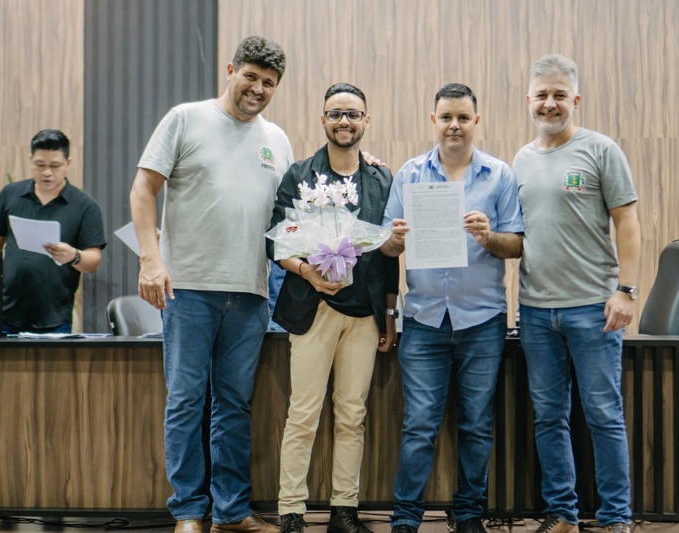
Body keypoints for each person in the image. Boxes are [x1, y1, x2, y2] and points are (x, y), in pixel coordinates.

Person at [130, 36, 293, 533]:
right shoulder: (186, 118)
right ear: (230, 69)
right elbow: (143, 189)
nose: (258, 89)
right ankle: (187, 512)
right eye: (250, 76)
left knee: (233, 406)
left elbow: (294, 216)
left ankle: (231, 512)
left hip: (250, 293)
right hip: (188, 290)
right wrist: (151, 261)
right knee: (185, 401)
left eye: (268, 83)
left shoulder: (278, 140)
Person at [380, 83, 523, 533]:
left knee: (477, 425)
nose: (454, 125)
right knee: (419, 425)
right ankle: (405, 519)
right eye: (446, 117)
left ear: (476, 121)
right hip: (423, 319)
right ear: (434, 120)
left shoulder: (499, 175)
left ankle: (468, 515)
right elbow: (383, 246)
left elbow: (516, 244)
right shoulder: (410, 175)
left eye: (463, 117)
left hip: (481, 320)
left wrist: (488, 237)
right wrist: (395, 241)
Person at [511, 53, 641, 533]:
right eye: (541, 95)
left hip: (594, 308)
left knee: (604, 416)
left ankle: (614, 518)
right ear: (529, 100)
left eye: (559, 95)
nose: (550, 103)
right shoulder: (520, 160)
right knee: (549, 418)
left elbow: (627, 221)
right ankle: (562, 514)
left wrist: (625, 290)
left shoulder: (601, 150)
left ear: (575, 100)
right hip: (536, 311)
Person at [268, 82, 399, 533]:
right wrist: (306, 271)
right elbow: (278, 243)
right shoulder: (299, 176)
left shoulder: (383, 179)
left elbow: (389, 254)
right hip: (312, 309)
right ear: (323, 120)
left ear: (367, 121)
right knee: (303, 413)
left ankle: (345, 510)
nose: (345, 121)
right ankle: (291, 512)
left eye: (353, 114)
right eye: (336, 113)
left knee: (352, 414)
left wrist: (391, 312)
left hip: (365, 314)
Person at [0, 129, 106, 334]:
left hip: (54, 316)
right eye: (40, 165)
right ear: (31, 160)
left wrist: (73, 256)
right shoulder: (11, 194)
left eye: (55, 166)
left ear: (68, 163)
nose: (47, 172)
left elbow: (93, 260)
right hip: (6, 311)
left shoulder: (85, 206)